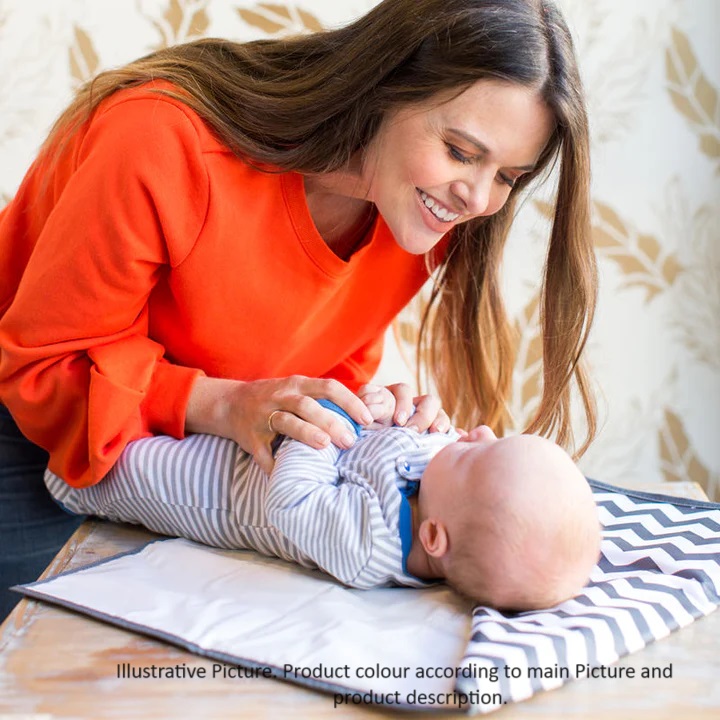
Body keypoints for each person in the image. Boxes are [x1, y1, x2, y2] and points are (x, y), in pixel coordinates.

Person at [0, 0, 598, 619]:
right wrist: (223, 404)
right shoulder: (160, 139)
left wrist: (357, 410)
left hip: (188, 472)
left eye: (508, 176)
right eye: (459, 150)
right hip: (33, 431)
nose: (477, 198)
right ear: (386, 86)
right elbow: (41, 368)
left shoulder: (422, 209)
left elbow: (322, 352)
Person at [45, 392, 601, 610]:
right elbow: (390, 431)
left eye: (480, 456)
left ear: (435, 539)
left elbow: (291, 503)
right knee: (136, 407)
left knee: (121, 466)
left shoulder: (373, 548)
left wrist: (325, 426)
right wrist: (385, 406)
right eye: (496, 436)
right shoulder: (442, 484)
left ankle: (63, 480)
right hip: (258, 434)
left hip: (210, 488)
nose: (476, 431)